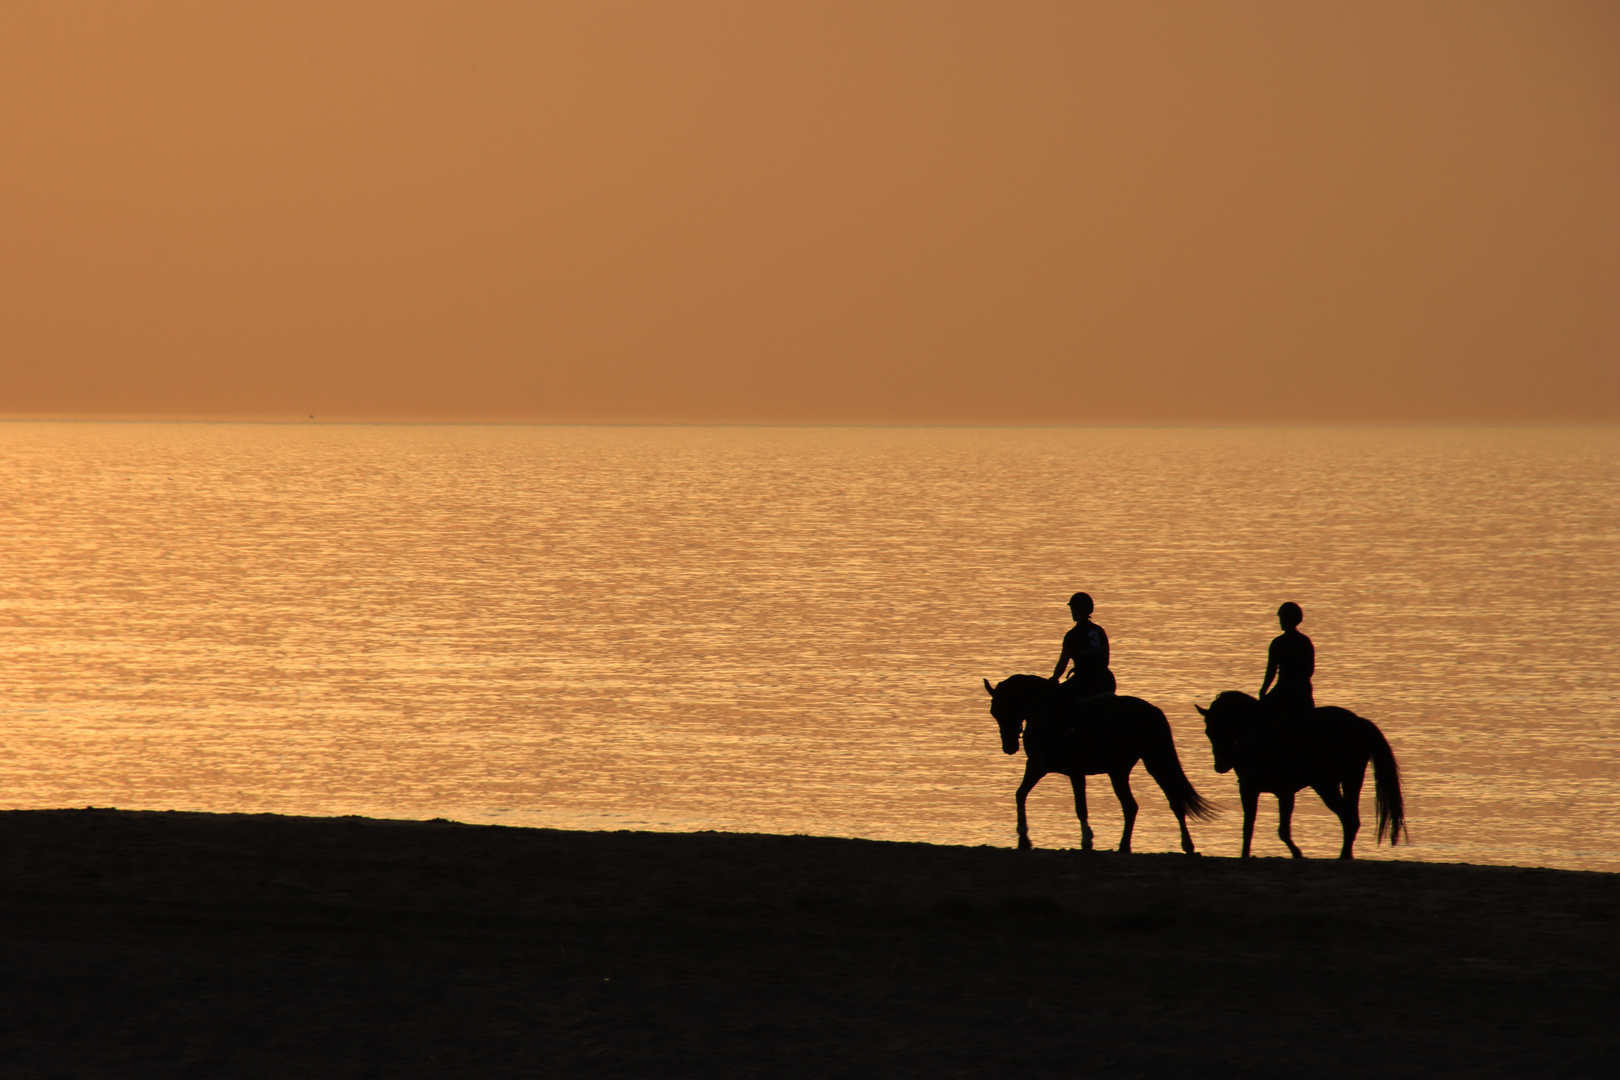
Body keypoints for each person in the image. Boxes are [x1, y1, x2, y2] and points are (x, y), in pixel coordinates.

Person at [1258, 601, 1315, 725]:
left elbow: (1271, 671)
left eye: (1282, 618)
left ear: (1286, 619)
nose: (1280, 621)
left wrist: (1263, 690)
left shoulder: (1278, 643)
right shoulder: (1305, 641)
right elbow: (1310, 670)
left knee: (1259, 717)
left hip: (1283, 689)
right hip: (1303, 691)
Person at [1051, 592, 1115, 699]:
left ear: (1076, 610)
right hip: (1107, 679)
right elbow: (1106, 661)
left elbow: (1062, 665)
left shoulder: (1072, 635)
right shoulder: (1100, 631)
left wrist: (1053, 679)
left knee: (1057, 698)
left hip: (1084, 681)